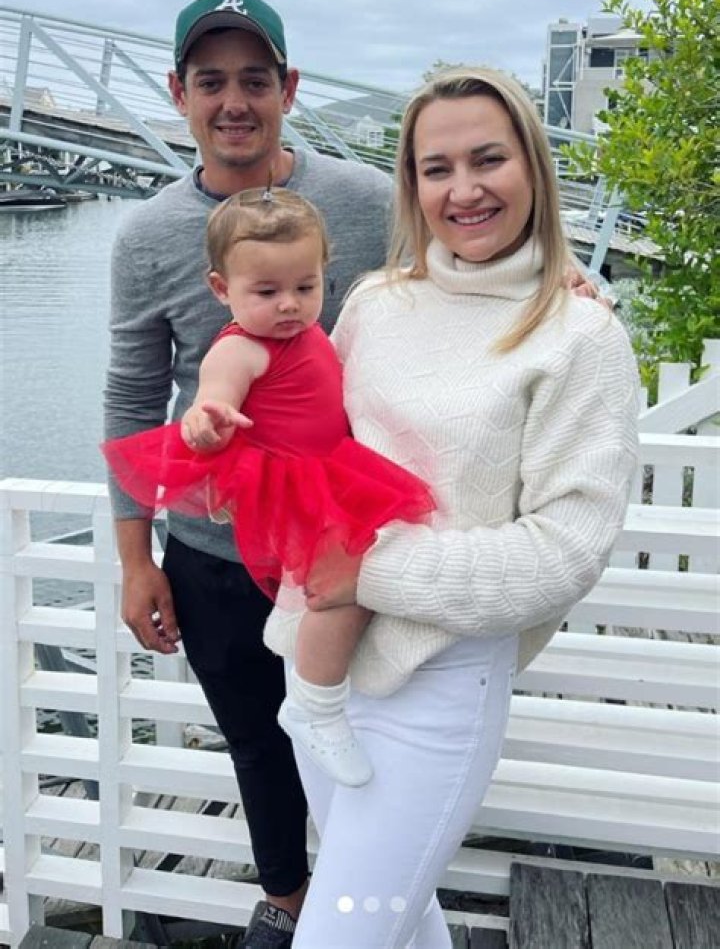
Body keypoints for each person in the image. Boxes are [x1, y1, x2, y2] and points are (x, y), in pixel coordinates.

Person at [262, 65, 640, 948]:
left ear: (533, 165)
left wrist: (367, 566)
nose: (464, 189)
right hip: (315, 665)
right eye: (437, 168)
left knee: (344, 930)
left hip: (436, 682)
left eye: (488, 159)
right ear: (412, 184)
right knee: (399, 916)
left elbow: (565, 550)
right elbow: (312, 436)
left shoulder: (582, 335)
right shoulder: (375, 303)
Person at [103, 0, 394, 949]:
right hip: (211, 552)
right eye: (211, 81)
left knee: (368, 730)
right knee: (257, 738)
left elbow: (472, 260)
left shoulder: (366, 202)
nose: (235, 101)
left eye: (256, 80)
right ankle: (291, 897)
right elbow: (133, 396)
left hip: (346, 547)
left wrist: (562, 276)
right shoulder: (148, 235)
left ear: (289, 88)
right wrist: (136, 559)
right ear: (178, 93)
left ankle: (375, 902)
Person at [102, 187, 434, 790]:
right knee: (340, 590)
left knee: (360, 581)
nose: (289, 305)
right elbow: (210, 401)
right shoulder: (240, 349)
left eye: (306, 287)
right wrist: (207, 423)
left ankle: (337, 705)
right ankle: (316, 705)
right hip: (291, 486)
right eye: (266, 292)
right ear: (220, 288)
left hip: (333, 471)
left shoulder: (305, 332)